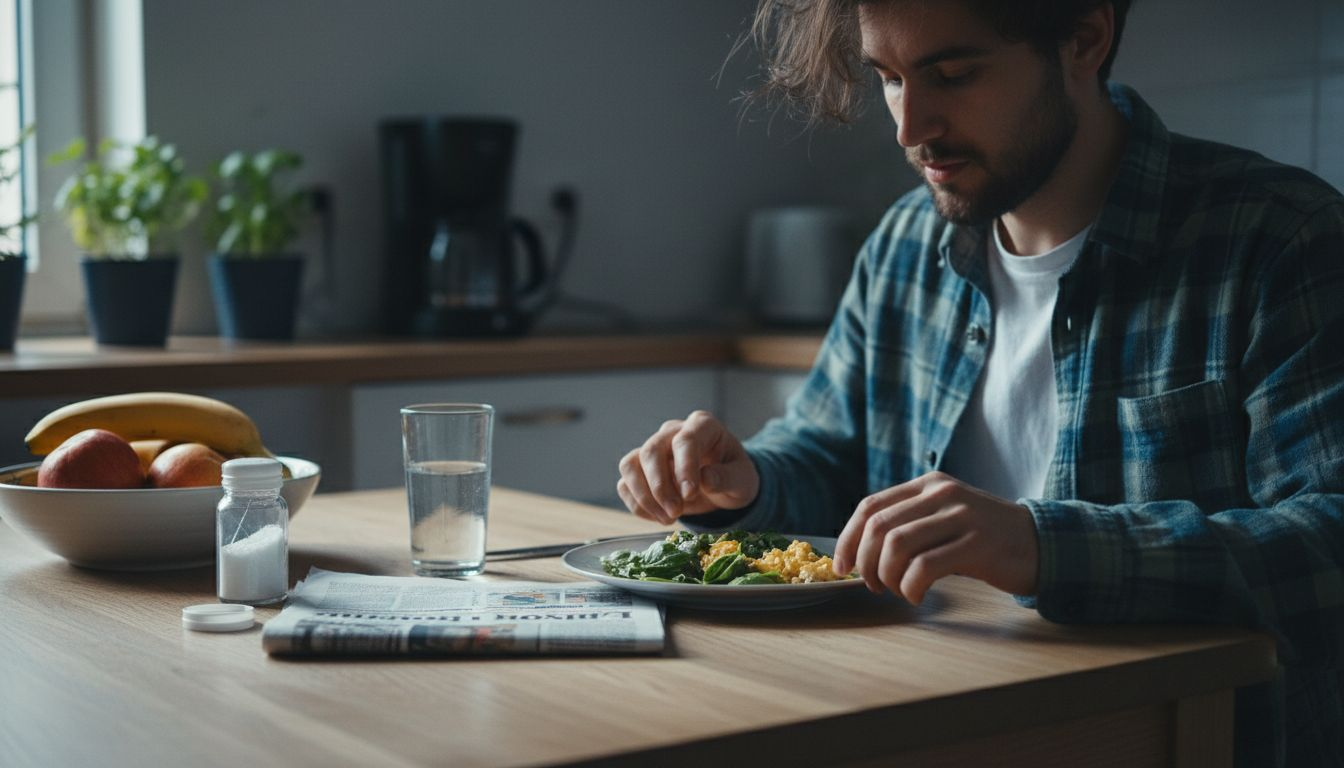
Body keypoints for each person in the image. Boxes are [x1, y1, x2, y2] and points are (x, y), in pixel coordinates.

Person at [615, 1, 1344, 765]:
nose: (909, 126)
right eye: (889, 79)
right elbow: (830, 453)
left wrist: (1041, 545)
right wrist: (748, 484)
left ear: (1084, 39)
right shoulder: (903, 243)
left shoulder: (1278, 241)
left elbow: (1327, 542)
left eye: (953, 74)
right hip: (927, 721)